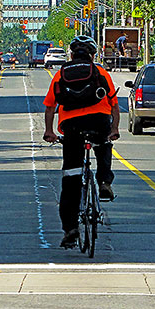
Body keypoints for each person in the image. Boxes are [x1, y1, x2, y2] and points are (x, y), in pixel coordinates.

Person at [43, 35, 120, 249]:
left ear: (70, 54)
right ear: (93, 55)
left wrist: (49, 131)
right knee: (104, 144)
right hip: (99, 121)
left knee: (71, 178)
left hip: (71, 127)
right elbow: (114, 105)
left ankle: (70, 229)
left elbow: (50, 107)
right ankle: (104, 182)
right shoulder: (101, 72)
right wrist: (114, 130)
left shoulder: (60, 74)